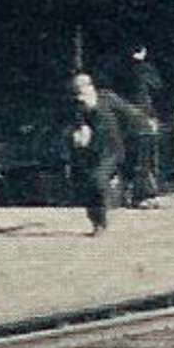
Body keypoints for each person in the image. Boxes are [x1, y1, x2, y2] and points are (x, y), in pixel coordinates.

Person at [66, 73, 141, 235]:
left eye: (82, 87)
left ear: (90, 86)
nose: (79, 93)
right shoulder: (77, 106)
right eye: (76, 89)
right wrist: (78, 136)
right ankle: (96, 221)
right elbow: (79, 128)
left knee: (98, 179)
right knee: (89, 186)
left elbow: (129, 112)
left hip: (112, 149)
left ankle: (103, 216)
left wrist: (140, 124)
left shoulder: (107, 98)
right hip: (90, 152)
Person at [121, 46, 166, 205]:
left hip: (129, 118)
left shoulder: (124, 70)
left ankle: (132, 193)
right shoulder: (146, 70)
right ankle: (144, 195)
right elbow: (157, 87)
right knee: (145, 158)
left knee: (133, 158)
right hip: (144, 117)